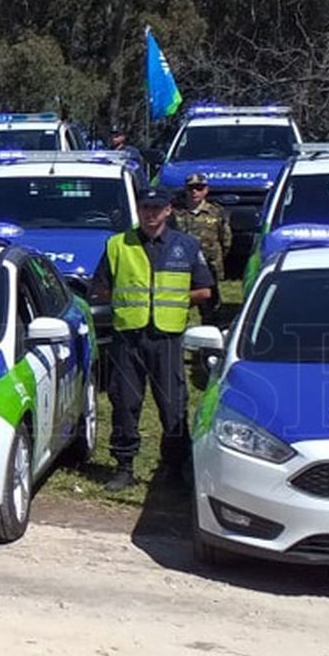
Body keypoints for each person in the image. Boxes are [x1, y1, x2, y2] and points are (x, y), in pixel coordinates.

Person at [92, 185, 214, 492]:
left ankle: (174, 468)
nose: (151, 214)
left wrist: (168, 300)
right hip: (128, 337)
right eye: (146, 208)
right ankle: (124, 465)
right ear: (139, 211)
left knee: (173, 406)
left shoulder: (186, 245)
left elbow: (205, 290)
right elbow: (102, 287)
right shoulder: (118, 244)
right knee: (125, 402)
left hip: (167, 338)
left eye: (157, 209)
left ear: (168, 210)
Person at [172, 172, 230, 320]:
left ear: (206, 190)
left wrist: (217, 257)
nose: (194, 192)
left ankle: (211, 326)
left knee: (210, 302)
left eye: (199, 188)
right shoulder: (175, 212)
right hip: (182, 264)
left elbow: (225, 239)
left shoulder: (216, 211)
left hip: (209, 264)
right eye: (191, 188)